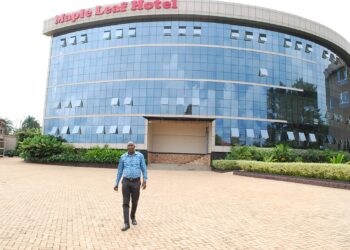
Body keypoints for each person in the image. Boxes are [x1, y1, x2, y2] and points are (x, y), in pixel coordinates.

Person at [114, 141, 148, 231]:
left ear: (134, 146)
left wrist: (145, 180)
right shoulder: (123, 157)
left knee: (135, 201)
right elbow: (120, 171)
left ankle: (132, 217)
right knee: (125, 203)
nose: (130, 146)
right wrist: (116, 183)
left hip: (136, 182)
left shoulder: (140, 156)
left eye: (132, 145)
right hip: (126, 182)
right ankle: (126, 223)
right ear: (127, 147)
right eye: (129, 145)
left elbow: (144, 168)